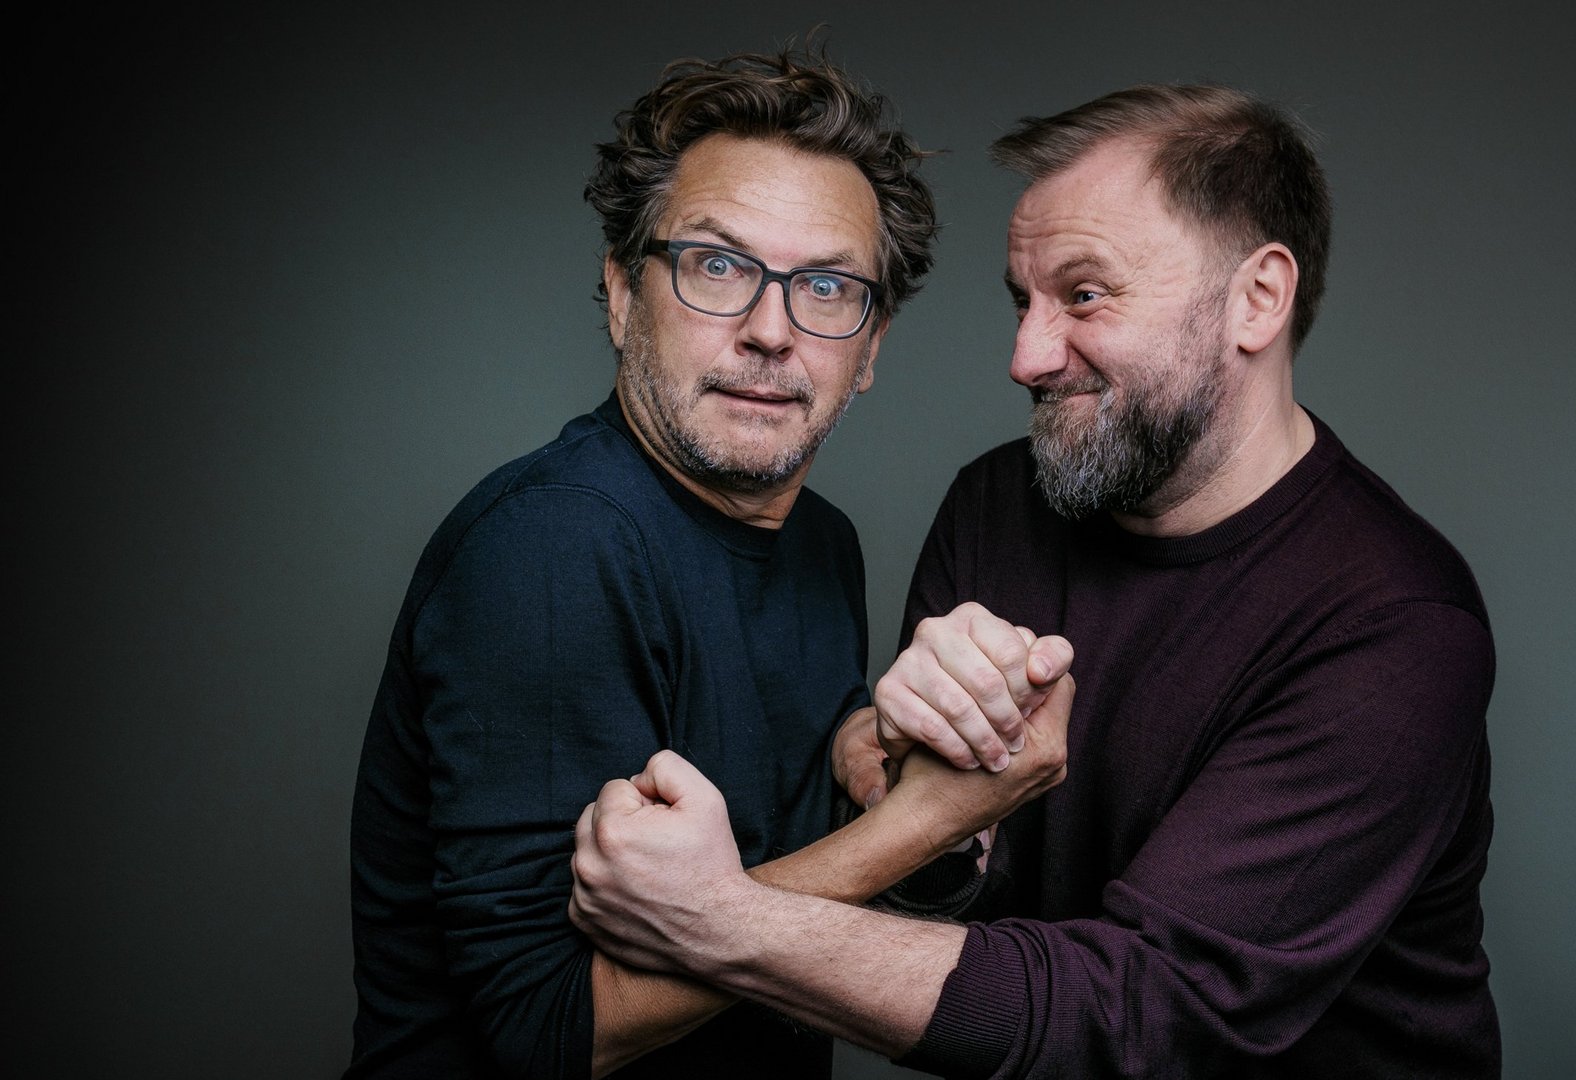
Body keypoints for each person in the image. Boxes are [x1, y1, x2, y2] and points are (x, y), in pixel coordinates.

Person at [568, 83, 1500, 1078]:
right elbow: (930, 903)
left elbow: (1143, 1019)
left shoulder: (1396, 626)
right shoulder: (997, 504)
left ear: (1258, 298)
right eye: (1024, 300)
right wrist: (909, 795)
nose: (1026, 356)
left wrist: (720, 921)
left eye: (1084, 295)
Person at [346, 47, 1070, 1080]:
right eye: (718, 267)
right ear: (620, 294)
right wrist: (923, 824)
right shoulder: (552, 546)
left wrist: (890, 777)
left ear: (869, 348)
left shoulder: (820, 543)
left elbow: (806, 892)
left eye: (827, 286)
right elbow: (547, 1032)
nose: (771, 331)